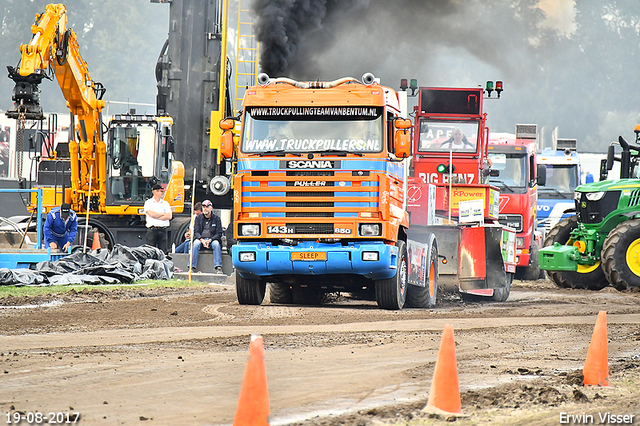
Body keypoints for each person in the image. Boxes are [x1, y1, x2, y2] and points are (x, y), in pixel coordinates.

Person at [191, 199, 223, 274]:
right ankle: (191, 267)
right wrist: (202, 240)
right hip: (201, 240)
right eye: (204, 206)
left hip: (212, 240)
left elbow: (219, 233)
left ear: (211, 208)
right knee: (195, 243)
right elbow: (196, 232)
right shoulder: (198, 218)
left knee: (216, 244)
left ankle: (218, 267)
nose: (205, 208)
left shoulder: (217, 219)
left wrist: (210, 240)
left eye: (207, 207)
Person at [144, 183, 172, 252]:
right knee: (150, 250)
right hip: (152, 229)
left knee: (163, 251)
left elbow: (169, 216)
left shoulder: (165, 203)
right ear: (155, 192)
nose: (163, 193)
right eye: (161, 191)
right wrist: (162, 214)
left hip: (163, 229)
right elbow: (151, 214)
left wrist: (156, 216)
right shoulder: (148, 203)